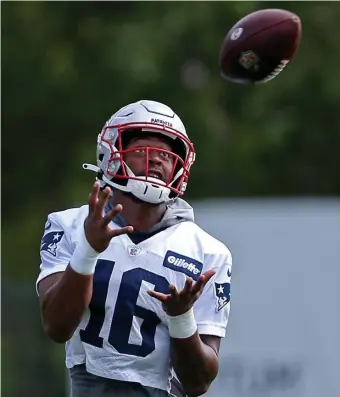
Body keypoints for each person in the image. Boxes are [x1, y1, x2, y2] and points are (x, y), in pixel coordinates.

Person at [36, 100, 233, 397]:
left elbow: (198, 383)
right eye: (142, 150)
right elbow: (56, 326)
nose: (156, 161)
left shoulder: (207, 252)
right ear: (111, 154)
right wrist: (87, 251)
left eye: (166, 155)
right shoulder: (70, 224)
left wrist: (181, 317)